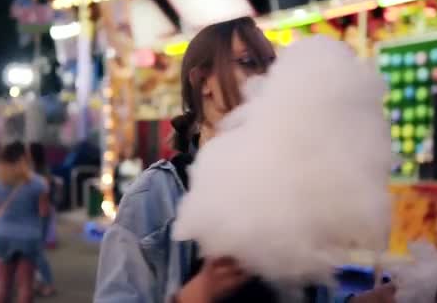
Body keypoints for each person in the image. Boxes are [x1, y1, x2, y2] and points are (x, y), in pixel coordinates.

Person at [94, 17, 396, 303]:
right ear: (203, 81)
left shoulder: (290, 188)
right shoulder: (154, 196)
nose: (266, 77)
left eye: (271, 64)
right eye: (249, 62)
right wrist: (197, 294)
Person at [0, 141, 49, 303]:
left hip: (2, 235)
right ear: (24, 158)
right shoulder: (39, 183)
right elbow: (43, 212)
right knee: (25, 287)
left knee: (2, 287)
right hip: (28, 236)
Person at [28, 142, 57, 297]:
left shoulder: (41, 172)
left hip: (41, 214)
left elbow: (43, 198)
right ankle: (38, 282)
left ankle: (48, 282)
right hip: (38, 213)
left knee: (37, 251)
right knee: (35, 250)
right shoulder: (38, 170)